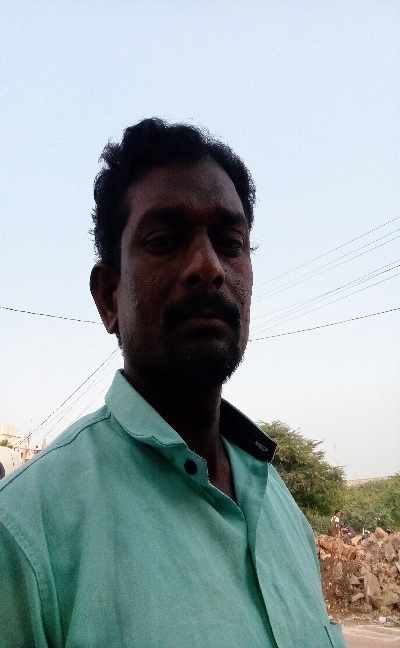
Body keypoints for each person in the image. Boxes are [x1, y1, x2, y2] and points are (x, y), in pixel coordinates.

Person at [0, 119, 345, 647]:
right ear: (108, 297)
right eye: (164, 241)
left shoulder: (281, 510)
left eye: (231, 243)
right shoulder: (24, 533)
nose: (208, 266)